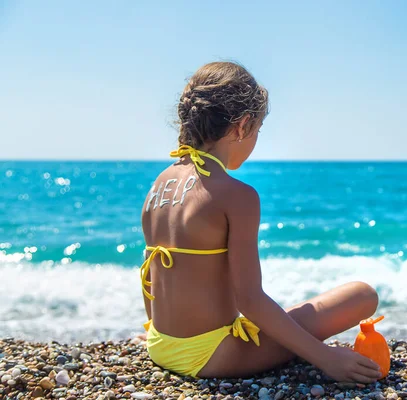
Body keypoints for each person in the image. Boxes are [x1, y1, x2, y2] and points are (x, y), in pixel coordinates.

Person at [139, 61, 381, 382]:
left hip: (160, 344)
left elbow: (151, 270)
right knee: (362, 296)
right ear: (242, 126)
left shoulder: (159, 184)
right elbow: (249, 300)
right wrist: (327, 358)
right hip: (212, 356)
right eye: (257, 131)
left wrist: (164, 335)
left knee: (292, 314)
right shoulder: (236, 195)